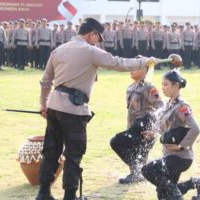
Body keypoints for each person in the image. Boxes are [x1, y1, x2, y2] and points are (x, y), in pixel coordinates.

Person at [36, 18, 155, 200]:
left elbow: (46, 81)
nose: (97, 43)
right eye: (97, 39)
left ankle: (43, 192)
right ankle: (70, 195)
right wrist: (144, 62)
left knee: (51, 150)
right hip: (74, 110)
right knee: (74, 153)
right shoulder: (90, 51)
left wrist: (43, 104)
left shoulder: (58, 50)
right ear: (92, 34)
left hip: (54, 106)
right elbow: (119, 63)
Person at [141, 70, 200, 200]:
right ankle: (198, 183)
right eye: (162, 84)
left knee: (147, 170)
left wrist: (181, 146)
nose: (163, 88)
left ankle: (177, 195)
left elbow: (195, 129)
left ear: (176, 85)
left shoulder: (182, 106)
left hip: (180, 157)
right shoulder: (169, 104)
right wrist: (153, 133)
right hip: (170, 156)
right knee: (164, 194)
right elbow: (168, 127)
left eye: (166, 84)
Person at [110, 67, 164, 184]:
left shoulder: (149, 88)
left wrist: (153, 127)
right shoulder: (130, 87)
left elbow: (161, 107)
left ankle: (138, 171)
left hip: (145, 129)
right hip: (133, 127)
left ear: (145, 71)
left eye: (136, 67)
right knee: (136, 153)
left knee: (116, 142)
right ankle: (137, 173)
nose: (131, 69)